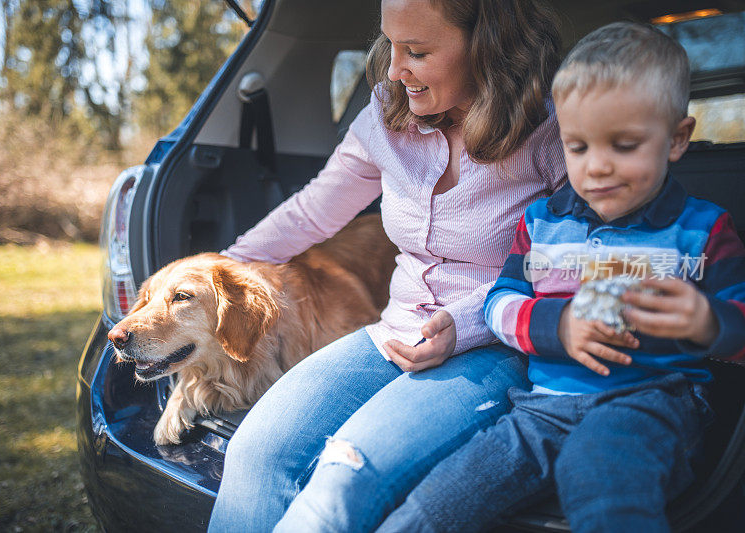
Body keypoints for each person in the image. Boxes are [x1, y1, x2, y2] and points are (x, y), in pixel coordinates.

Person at [207, 1, 566, 531]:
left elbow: (579, 258)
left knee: (343, 480)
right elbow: (312, 212)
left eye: (417, 52)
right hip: (390, 333)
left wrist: (463, 326)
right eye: (390, 46)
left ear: (487, 46)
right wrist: (220, 266)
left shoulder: (551, 128)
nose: (395, 70)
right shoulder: (385, 111)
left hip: (498, 346)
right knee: (255, 453)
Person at [377, 21, 745, 533]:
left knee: (598, 471)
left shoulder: (702, 231)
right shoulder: (544, 223)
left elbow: (740, 327)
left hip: (650, 402)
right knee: (439, 500)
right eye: (578, 147)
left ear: (677, 139)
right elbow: (500, 303)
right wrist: (560, 327)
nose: (597, 168)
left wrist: (707, 321)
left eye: (624, 145)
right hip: (542, 410)